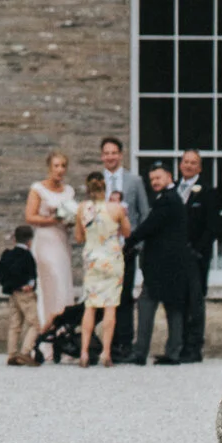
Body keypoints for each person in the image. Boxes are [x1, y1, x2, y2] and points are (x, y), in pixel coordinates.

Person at [127, 165, 200, 366]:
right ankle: (172, 351)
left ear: (169, 177)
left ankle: (142, 351)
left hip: (162, 266)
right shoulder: (169, 199)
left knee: (149, 304)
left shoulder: (168, 200)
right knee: (172, 307)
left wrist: (129, 241)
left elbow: (149, 226)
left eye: (158, 177)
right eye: (152, 179)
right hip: (171, 265)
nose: (155, 182)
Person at [97, 137, 151, 365]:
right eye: (106, 153)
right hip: (102, 250)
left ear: (120, 155)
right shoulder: (97, 181)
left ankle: (125, 343)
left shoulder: (134, 181)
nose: (110, 157)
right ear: (102, 156)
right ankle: (105, 343)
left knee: (125, 295)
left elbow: (143, 213)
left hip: (126, 249)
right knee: (103, 296)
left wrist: (137, 244)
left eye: (114, 152)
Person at [73, 172, 131, 369]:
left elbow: (79, 238)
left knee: (90, 305)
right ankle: (106, 352)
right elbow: (127, 232)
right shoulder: (115, 208)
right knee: (110, 306)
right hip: (112, 258)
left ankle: (84, 353)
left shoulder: (82, 208)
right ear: (105, 187)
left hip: (92, 259)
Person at [22, 151, 77, 359]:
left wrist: (70, 220)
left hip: (62, 241)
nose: (60, 170)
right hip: (45, 241)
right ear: (49, 167)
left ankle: (64, 339)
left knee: (63, 285)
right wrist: (55, 219)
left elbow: (72, 218)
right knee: (49, 285)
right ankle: (45, 341)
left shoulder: (69, 191)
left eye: (63, 166)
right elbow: (30, 216)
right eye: (56, 165)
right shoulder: (38, 189)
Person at [174, 148, 221, 364]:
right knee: (178, 300)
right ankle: (179, 344)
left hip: (196, 256)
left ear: (200, 168)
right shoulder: (173, 189)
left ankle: (194, 347)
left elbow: (212, 227)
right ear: (180, 164)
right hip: (175, 257)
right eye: (185, 162)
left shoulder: (208, 192)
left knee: (195, 301)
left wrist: (197, 251)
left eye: (193, 163)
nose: (189, 165)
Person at [0, 223, 38, 367]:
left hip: (12, 292)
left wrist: (9, 283)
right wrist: (25, 284)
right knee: (36, 324)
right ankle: (25, 352)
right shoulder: (26, 255)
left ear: (15, 239)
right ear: (30, 241)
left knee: (15, 324)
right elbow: (31, 274)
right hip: (25, 293)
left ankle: (12, 353)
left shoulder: (8, 254)